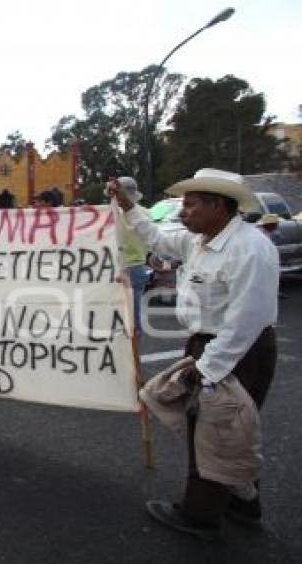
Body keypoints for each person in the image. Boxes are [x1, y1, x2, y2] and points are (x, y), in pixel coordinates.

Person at [108, 168, 279, 540]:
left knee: (214, 428)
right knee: (223, 431)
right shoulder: (199, 241)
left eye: (190, 205)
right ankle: (244, 502)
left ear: (218, 206)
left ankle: (201, 516)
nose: (182, 213)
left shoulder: (249, 248)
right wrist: (128, 205)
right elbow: (157, 239)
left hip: (238, 351)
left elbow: (245, 321)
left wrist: (209, 370)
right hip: (208, 344)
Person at [110, 177, 149, 336]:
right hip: (139, 266)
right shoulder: (145, 213)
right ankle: (134, 355)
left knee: (116, 316)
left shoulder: (111, 216)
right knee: (134, 315)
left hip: (119, 268)